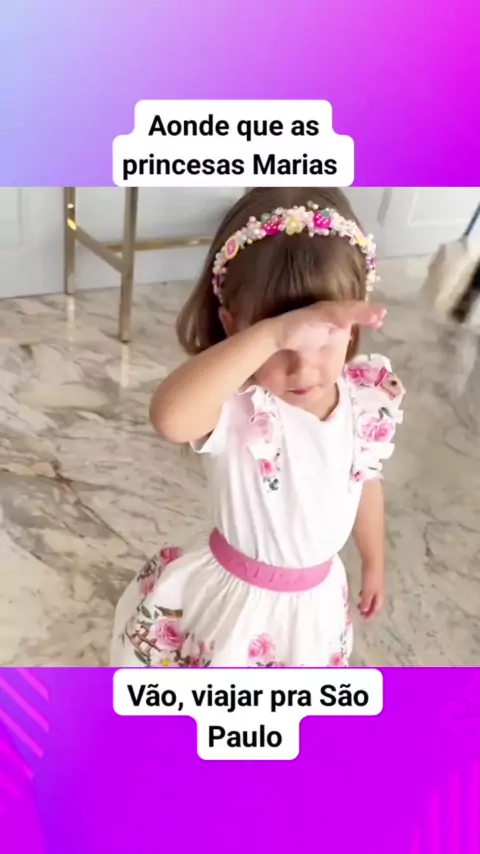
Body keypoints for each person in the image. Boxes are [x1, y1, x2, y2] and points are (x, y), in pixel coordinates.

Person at [111, 187, 405, 668]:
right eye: (281, 346)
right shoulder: (237, 402)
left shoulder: (365, 400)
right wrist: (270, 334)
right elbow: (170, 418)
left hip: (315, 603)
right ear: (234, 328)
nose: (302, 368)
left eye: (323, 338)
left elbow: (364, 482)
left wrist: (374, 562)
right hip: (233, 609)